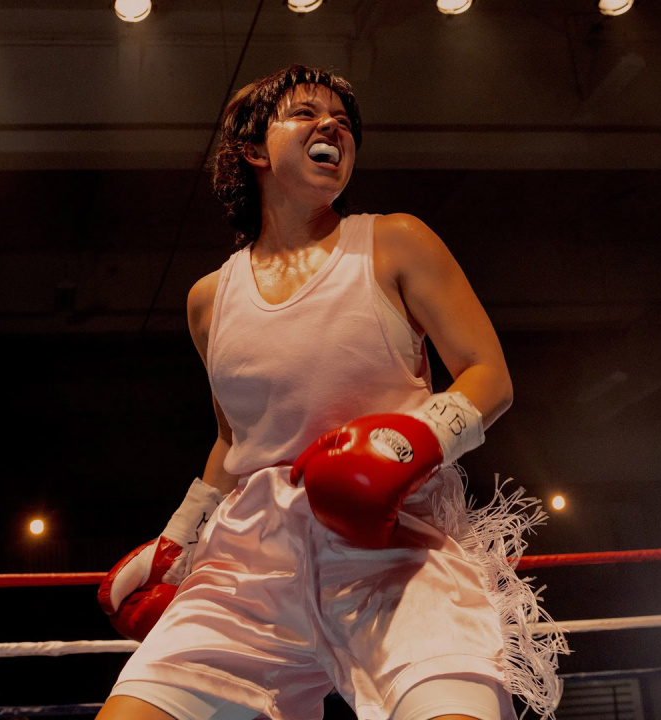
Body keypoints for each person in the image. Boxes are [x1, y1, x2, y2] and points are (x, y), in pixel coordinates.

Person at [97, 65, 563, 720]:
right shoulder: (210, 298)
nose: (332, 127)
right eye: (306, 113)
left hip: (396, 548)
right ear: (254, 149)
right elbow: (233, 439)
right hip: (250, 567)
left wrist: (407, 443)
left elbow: (489, 374)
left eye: (343, 122)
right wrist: (179, 541)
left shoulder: (394, 242)